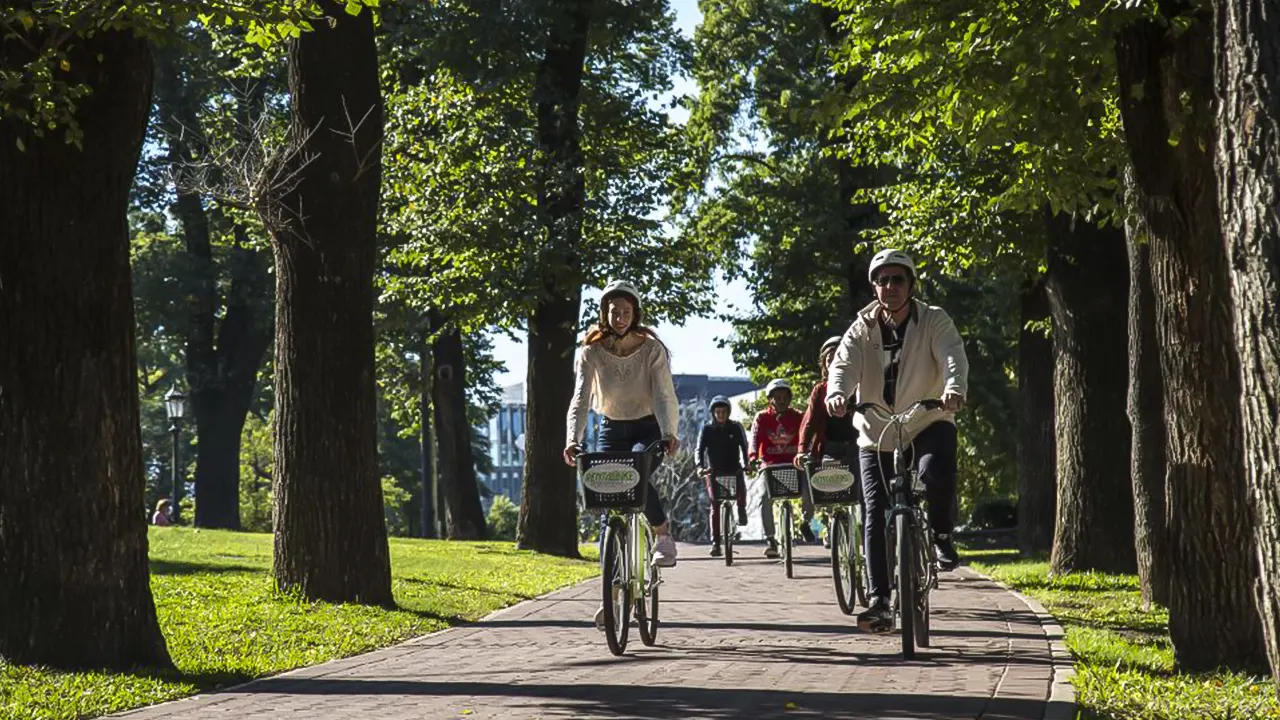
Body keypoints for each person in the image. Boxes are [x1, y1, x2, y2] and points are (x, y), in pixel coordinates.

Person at [825, 248, 969, 633]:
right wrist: (837, 394)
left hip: (927, 418)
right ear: (874, 286)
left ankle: (940, 534)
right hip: (876, 430)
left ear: (911, 284)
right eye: (882, 280)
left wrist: (954, 389)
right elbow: (842, 365)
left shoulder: (934, 320)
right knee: (874, 511)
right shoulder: (861, 328)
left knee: (934, 471)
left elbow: (953, 356)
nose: (890, 287)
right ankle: (880, 600)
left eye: (897, 279)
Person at [564, 280, 681, 627]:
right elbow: (581, 398)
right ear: (605, 312)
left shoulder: (651, 348)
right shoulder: (590, 351)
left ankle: (661, 533)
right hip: (610, 429)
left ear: (635, 314)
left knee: (638, 472)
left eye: (626, 312)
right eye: (614, 311)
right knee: (606, 505)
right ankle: (611, 593)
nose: (620, 317)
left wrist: (669, 431)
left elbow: (664, 394)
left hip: (647, 426)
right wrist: (573, 438)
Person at [794, 336, 859, 548]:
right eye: (829, 358)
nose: (833, 361)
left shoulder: (859, 386)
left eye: (838, 356)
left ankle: (866, 532)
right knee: (827, 485)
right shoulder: (820, 390)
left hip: (857, 445)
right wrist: (802, 450)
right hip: (830, 446)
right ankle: (831, 522)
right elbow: (809, 423)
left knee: (862, 489)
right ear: (824, 363)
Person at [748, 378, 815, 558]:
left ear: (790, 398)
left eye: (785, 397)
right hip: (770, 466)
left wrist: (808, 453)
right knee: (764, 497)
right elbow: (754, 439)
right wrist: (753, 457)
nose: (781, 401)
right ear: (770, 399)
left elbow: (807, 436)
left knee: (809, 489)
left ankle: (805, 522)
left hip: (795, 464)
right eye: (777, 397)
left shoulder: (799, 416)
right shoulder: (762, 418)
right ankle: (770, 539)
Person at [696, 395, 750, 556]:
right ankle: (716, 542)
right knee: (715, 504)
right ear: (713, 413)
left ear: (728, 412)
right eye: (718, 412)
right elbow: (699, 449)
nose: (721, 415)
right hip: (714, 471)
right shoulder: (707, 429)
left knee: (740, 483)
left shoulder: (735, 427)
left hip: (733, 467)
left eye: (724, 412)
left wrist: (747, 463)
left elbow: (744, 446)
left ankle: (741, 509)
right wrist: (700, 467)